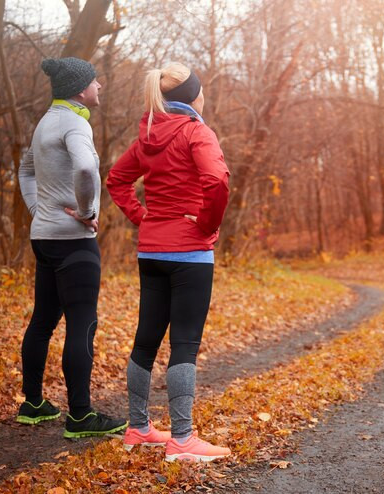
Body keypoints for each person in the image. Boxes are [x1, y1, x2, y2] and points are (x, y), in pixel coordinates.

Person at [106, 62, 231, 462]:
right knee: (185, 344)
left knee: (146, 340)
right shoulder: (197, 131)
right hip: (190, 254)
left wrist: (145, 219)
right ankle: (181, 439)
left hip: (152, 252)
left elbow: (117, 180)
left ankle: (139, 428)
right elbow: (218, 181)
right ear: (194, 96)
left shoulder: (148, 134)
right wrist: (207, 226)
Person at [17, 57, 127, 439]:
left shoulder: (45, 122)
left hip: (44, 237)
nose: (100, 87)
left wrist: (38, 209)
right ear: (81, 89)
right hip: (73, 241)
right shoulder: (76, 123)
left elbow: (25, 170)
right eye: (96, 82)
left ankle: (33, 403)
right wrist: (86, 211)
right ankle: (80, 416)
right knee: (82, 322)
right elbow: (85, 169)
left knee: (43, 320)